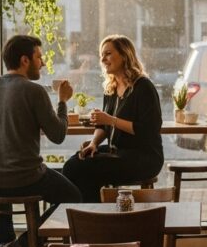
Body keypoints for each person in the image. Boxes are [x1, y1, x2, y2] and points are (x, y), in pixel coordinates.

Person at [0, 35, 82, 247]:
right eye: (39, 57)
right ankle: (25, 242)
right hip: (26, 178)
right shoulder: (34, 91)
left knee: (0, 179)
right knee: (73, 198)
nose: (43, 63)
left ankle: (6, 243)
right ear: (24, 60)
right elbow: (58, 134)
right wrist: (63, 101)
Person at [62, 35, 164, 201]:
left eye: (108, 53)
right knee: (73, 164)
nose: (103, 59)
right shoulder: (111, 87)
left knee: (83, 170)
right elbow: (102, 126)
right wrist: (94, 143)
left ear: (124, 55)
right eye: (102, 54)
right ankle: (88, 217)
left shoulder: (143, 87)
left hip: (144, 158)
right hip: (118, 153)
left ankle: (93, 218)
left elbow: (147, 131)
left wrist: (110, 120)